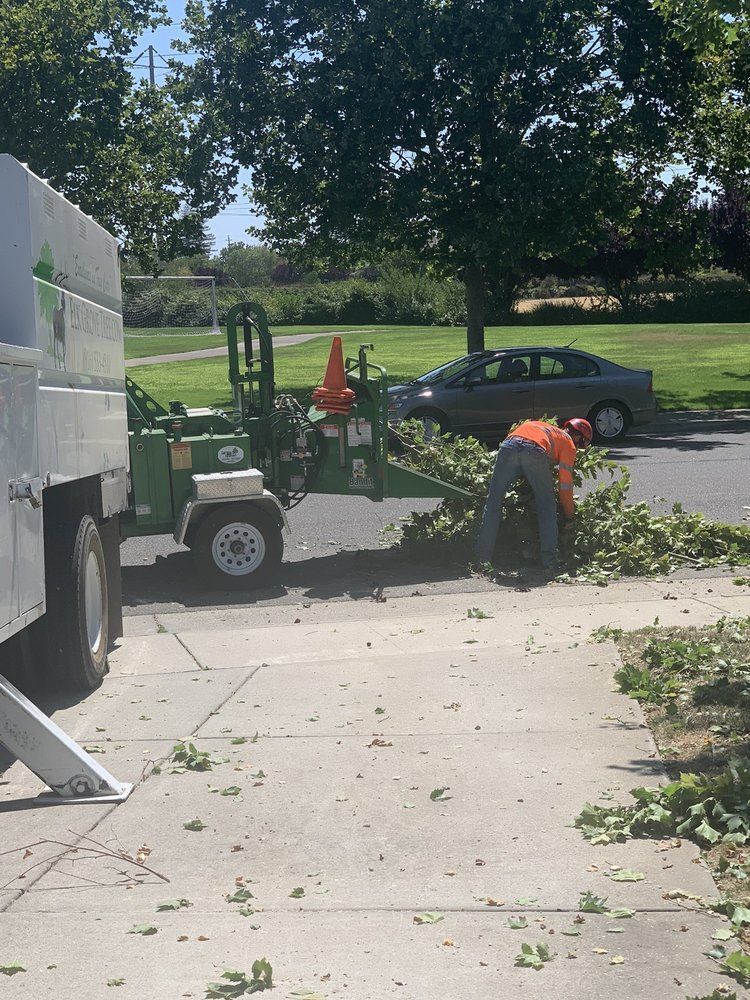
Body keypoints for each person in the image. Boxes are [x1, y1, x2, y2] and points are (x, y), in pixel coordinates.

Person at [474, 418, 593, 570]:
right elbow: (564, 485)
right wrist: (569, 514)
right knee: (547, 506)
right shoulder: (569, 444)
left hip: (508, 445)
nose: (577, 448)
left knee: (493, 502)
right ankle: (549, 561)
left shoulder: (540, 425)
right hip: (534, 451)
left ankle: (481, 558)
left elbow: (518, 444)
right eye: (580, 445)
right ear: (578, 438)